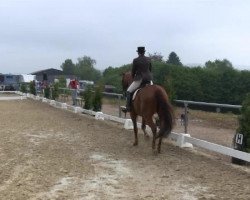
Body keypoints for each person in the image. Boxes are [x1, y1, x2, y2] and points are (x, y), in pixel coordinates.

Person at [124, 46, 152, 112]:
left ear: (138, 52)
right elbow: (150, 69)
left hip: (140, 79)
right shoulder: (148, 59)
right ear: (144, 52)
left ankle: (128, 107)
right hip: (148, 79)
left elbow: (133, 71)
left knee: (128, 91)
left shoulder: (136, 60)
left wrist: (133, 77)